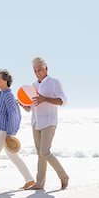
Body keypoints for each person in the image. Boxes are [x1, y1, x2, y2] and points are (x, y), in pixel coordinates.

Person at [0, 70, 36, 192]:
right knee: (13, 156)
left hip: (3, 131)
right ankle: (29, 179)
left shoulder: (9, 96)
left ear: (5, 81)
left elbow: (14, 114)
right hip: (0, 129)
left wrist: (10, 133)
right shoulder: (2, 94)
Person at [21, 57, 69, 190]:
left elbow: (62, 101)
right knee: (40, 154)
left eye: (40, 69)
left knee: (45, 152)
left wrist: (45, 99)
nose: (38, 72)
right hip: (35, 122)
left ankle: (63, 176)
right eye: (35, 71)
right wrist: (24, 105)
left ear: (46, 69)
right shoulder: (33, 85)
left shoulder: (54, 83)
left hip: (49, 122)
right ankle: (39, 184)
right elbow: (31, 107)